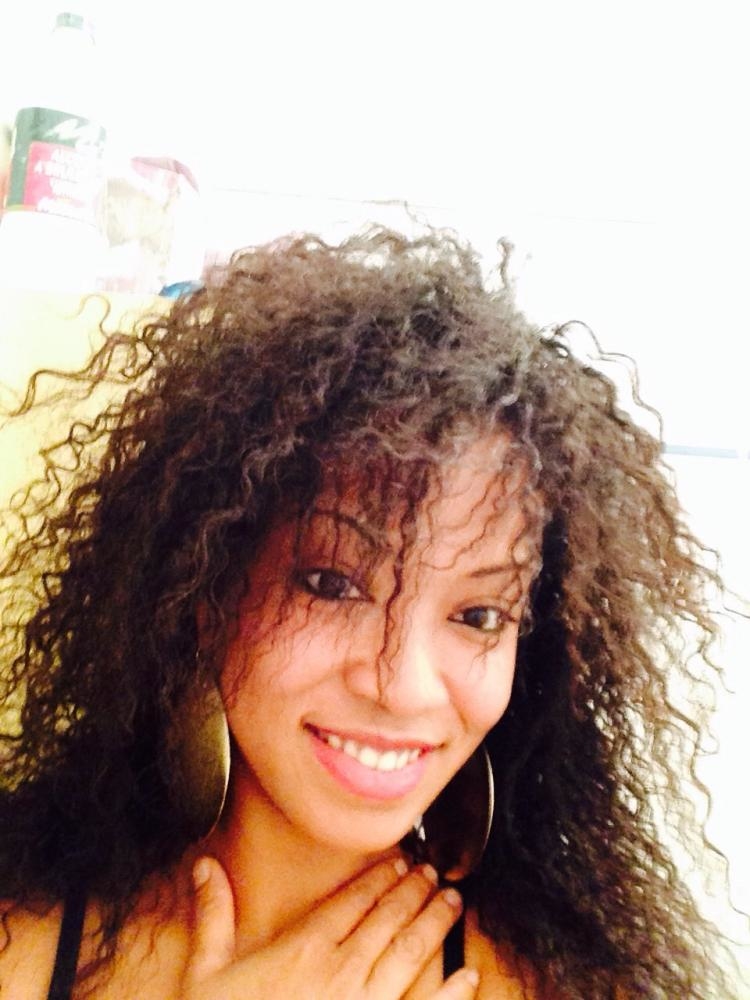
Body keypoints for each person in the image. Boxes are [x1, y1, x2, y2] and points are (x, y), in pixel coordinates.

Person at [0, 228, 739, 999]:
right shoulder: (22, 940)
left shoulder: (559, 986)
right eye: (330, 583)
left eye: (479, 615)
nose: (401, 687)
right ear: (203, 594)